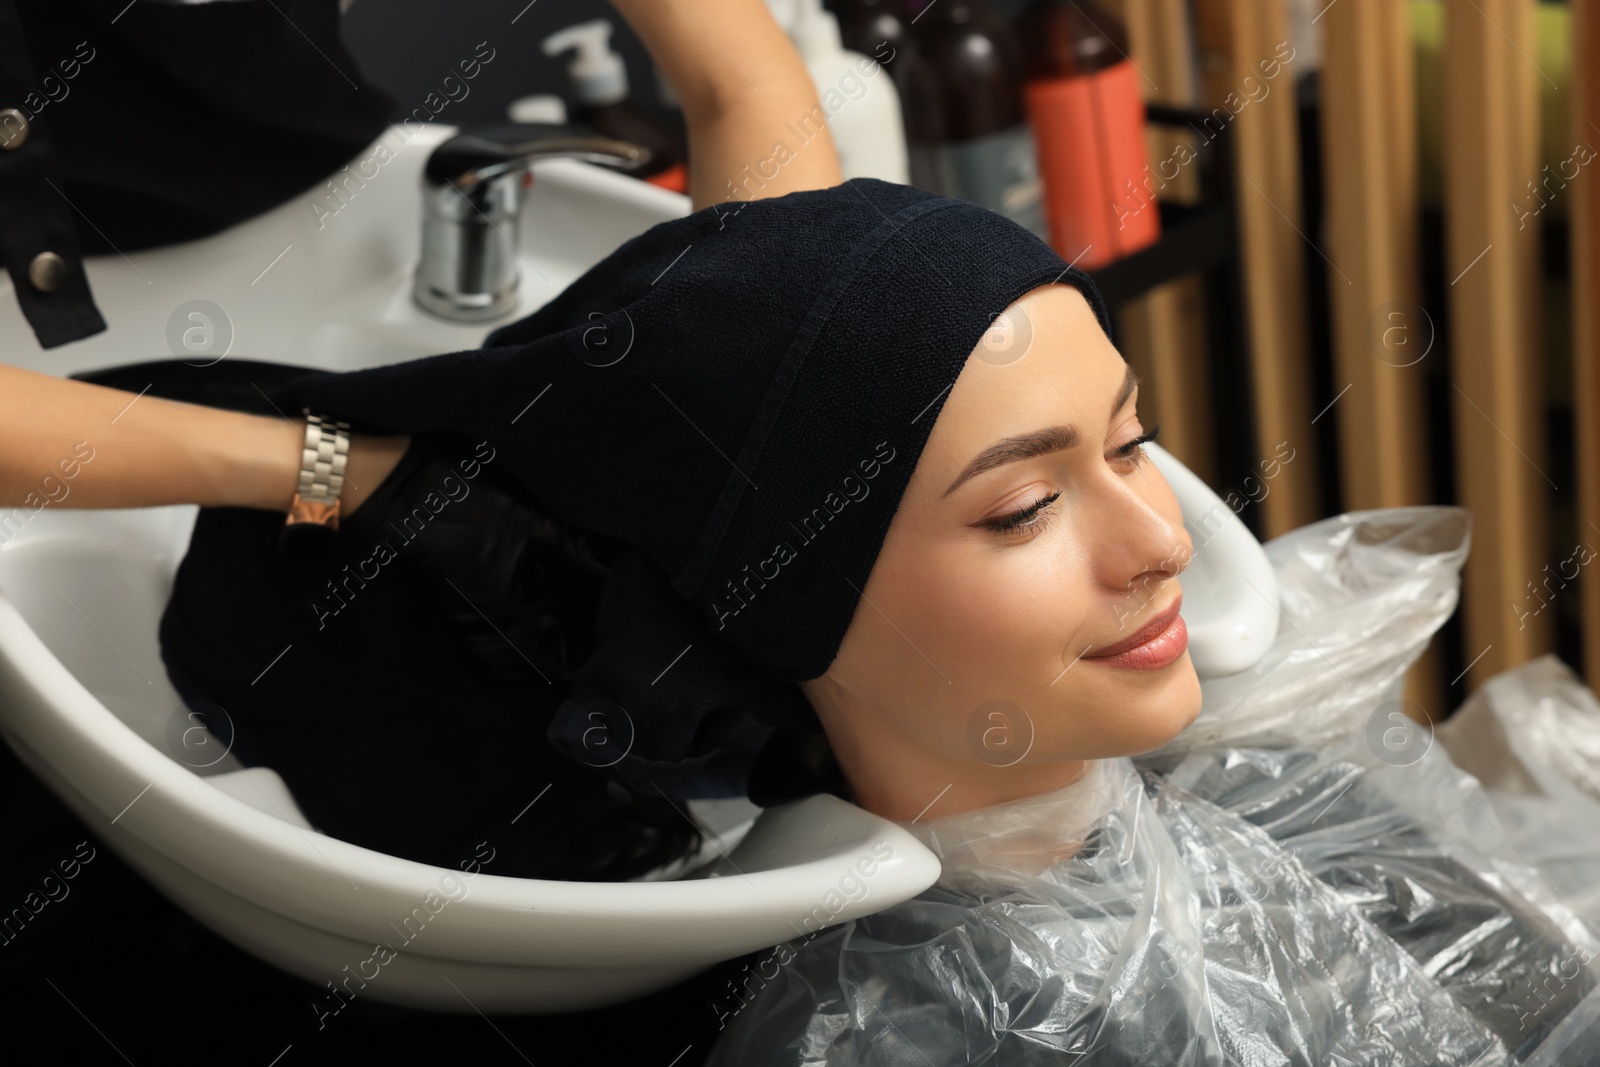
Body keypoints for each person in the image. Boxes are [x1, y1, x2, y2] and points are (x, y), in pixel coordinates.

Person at [4, 2, 1599, 1062]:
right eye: (1030, 502)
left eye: (1137, 443)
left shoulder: (1294, 826)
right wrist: (339, 466)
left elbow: (760, 111)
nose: (1164, 541)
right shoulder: (881, 1032)